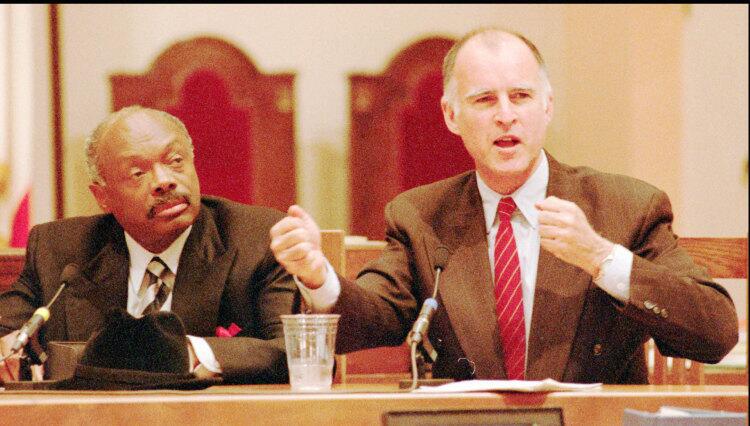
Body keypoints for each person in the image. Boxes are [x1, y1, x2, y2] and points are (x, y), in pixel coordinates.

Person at [269, 28, 739, 383]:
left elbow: (716, 332)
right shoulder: (420, 215)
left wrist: (601, 257)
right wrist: (317, 276)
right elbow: (375, 320)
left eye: (521, 96)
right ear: (452, 116)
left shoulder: (626, 206)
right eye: (484, 100)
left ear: (547, 107)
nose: (506, 115)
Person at [0, 106, 295, 384]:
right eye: (138, 173)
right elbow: (8, 330)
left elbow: (295, 352)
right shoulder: (60, 249)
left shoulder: (256, 238)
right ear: (102, 197)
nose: (164, 181)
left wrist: (193, 353)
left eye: (175, 161)